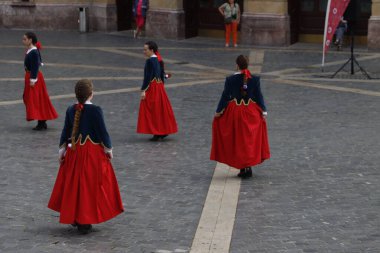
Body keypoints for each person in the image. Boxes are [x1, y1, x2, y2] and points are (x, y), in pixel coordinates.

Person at [48, 79, 124, 234]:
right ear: (91, 94)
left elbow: (65, 132)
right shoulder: (95, 110)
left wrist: (61, 152)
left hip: (74, 152)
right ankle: (85, 219)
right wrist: (109, 149)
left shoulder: (71, 109)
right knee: (89, 186)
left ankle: (75, 217)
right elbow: (103, 132)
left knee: (74, 185)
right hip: (91, 154)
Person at [210, 55, 270, 178]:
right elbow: (259, 96)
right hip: (250, 112)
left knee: (238, 140)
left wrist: (218, 111)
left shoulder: (230, 79)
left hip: (235, 113)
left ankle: (243, 167)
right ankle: (248, 166)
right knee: (249, 140)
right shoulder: (255, 79)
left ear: (237, 65)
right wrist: (263, 111)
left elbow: (225, 96)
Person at [137, 41, 178, 141]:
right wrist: (166, 76)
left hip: (153, 88)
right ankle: (162, 131)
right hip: (159, 87)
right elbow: (161, 74)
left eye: (145, 49)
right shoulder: (158, 60)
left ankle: (157, 132)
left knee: (152, 110)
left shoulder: (150, 61)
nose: (144, 51)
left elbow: (147, 77)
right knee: (160, 109)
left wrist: (143, 90)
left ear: (151, 50)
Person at [22, 32, 58, 130]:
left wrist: (33, 80)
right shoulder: (32, 50)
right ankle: (42, 121)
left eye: (25, 39)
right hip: (30, 76)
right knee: (34, 99)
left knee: (36, 100)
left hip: (34, 78)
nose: (23, 41)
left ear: (30, 40)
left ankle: (41, 122)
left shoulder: (33, 52)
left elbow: (35, 66)